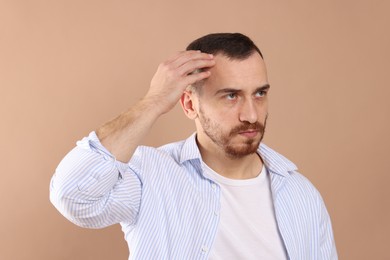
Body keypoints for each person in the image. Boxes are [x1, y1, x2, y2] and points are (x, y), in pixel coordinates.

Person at [50, 33, 337, 259]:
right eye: (230, 96)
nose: (251, 114)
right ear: (189, 104)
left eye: (259, 94)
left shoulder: (301, 195)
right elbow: (74, 196)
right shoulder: (150, 176)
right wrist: (153, 102)